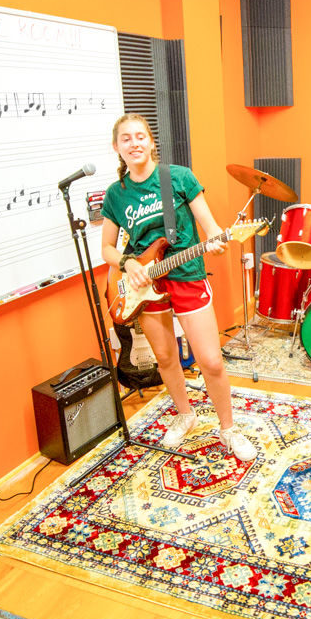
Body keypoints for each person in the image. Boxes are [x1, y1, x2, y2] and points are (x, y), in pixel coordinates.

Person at [100, 113, 256, 461]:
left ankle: (228, 429)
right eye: (126, 138)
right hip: (143, 285)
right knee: (167, 358)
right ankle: (186, 415)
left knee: (211, 361)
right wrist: (128, 265)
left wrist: (218, 240)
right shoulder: (116, 194)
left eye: (141, 136)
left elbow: (213, 228)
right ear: (117, 148)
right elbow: (107, 249)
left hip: (187, 276)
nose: (135, 143)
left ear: (151, 142)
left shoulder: (178, 177)